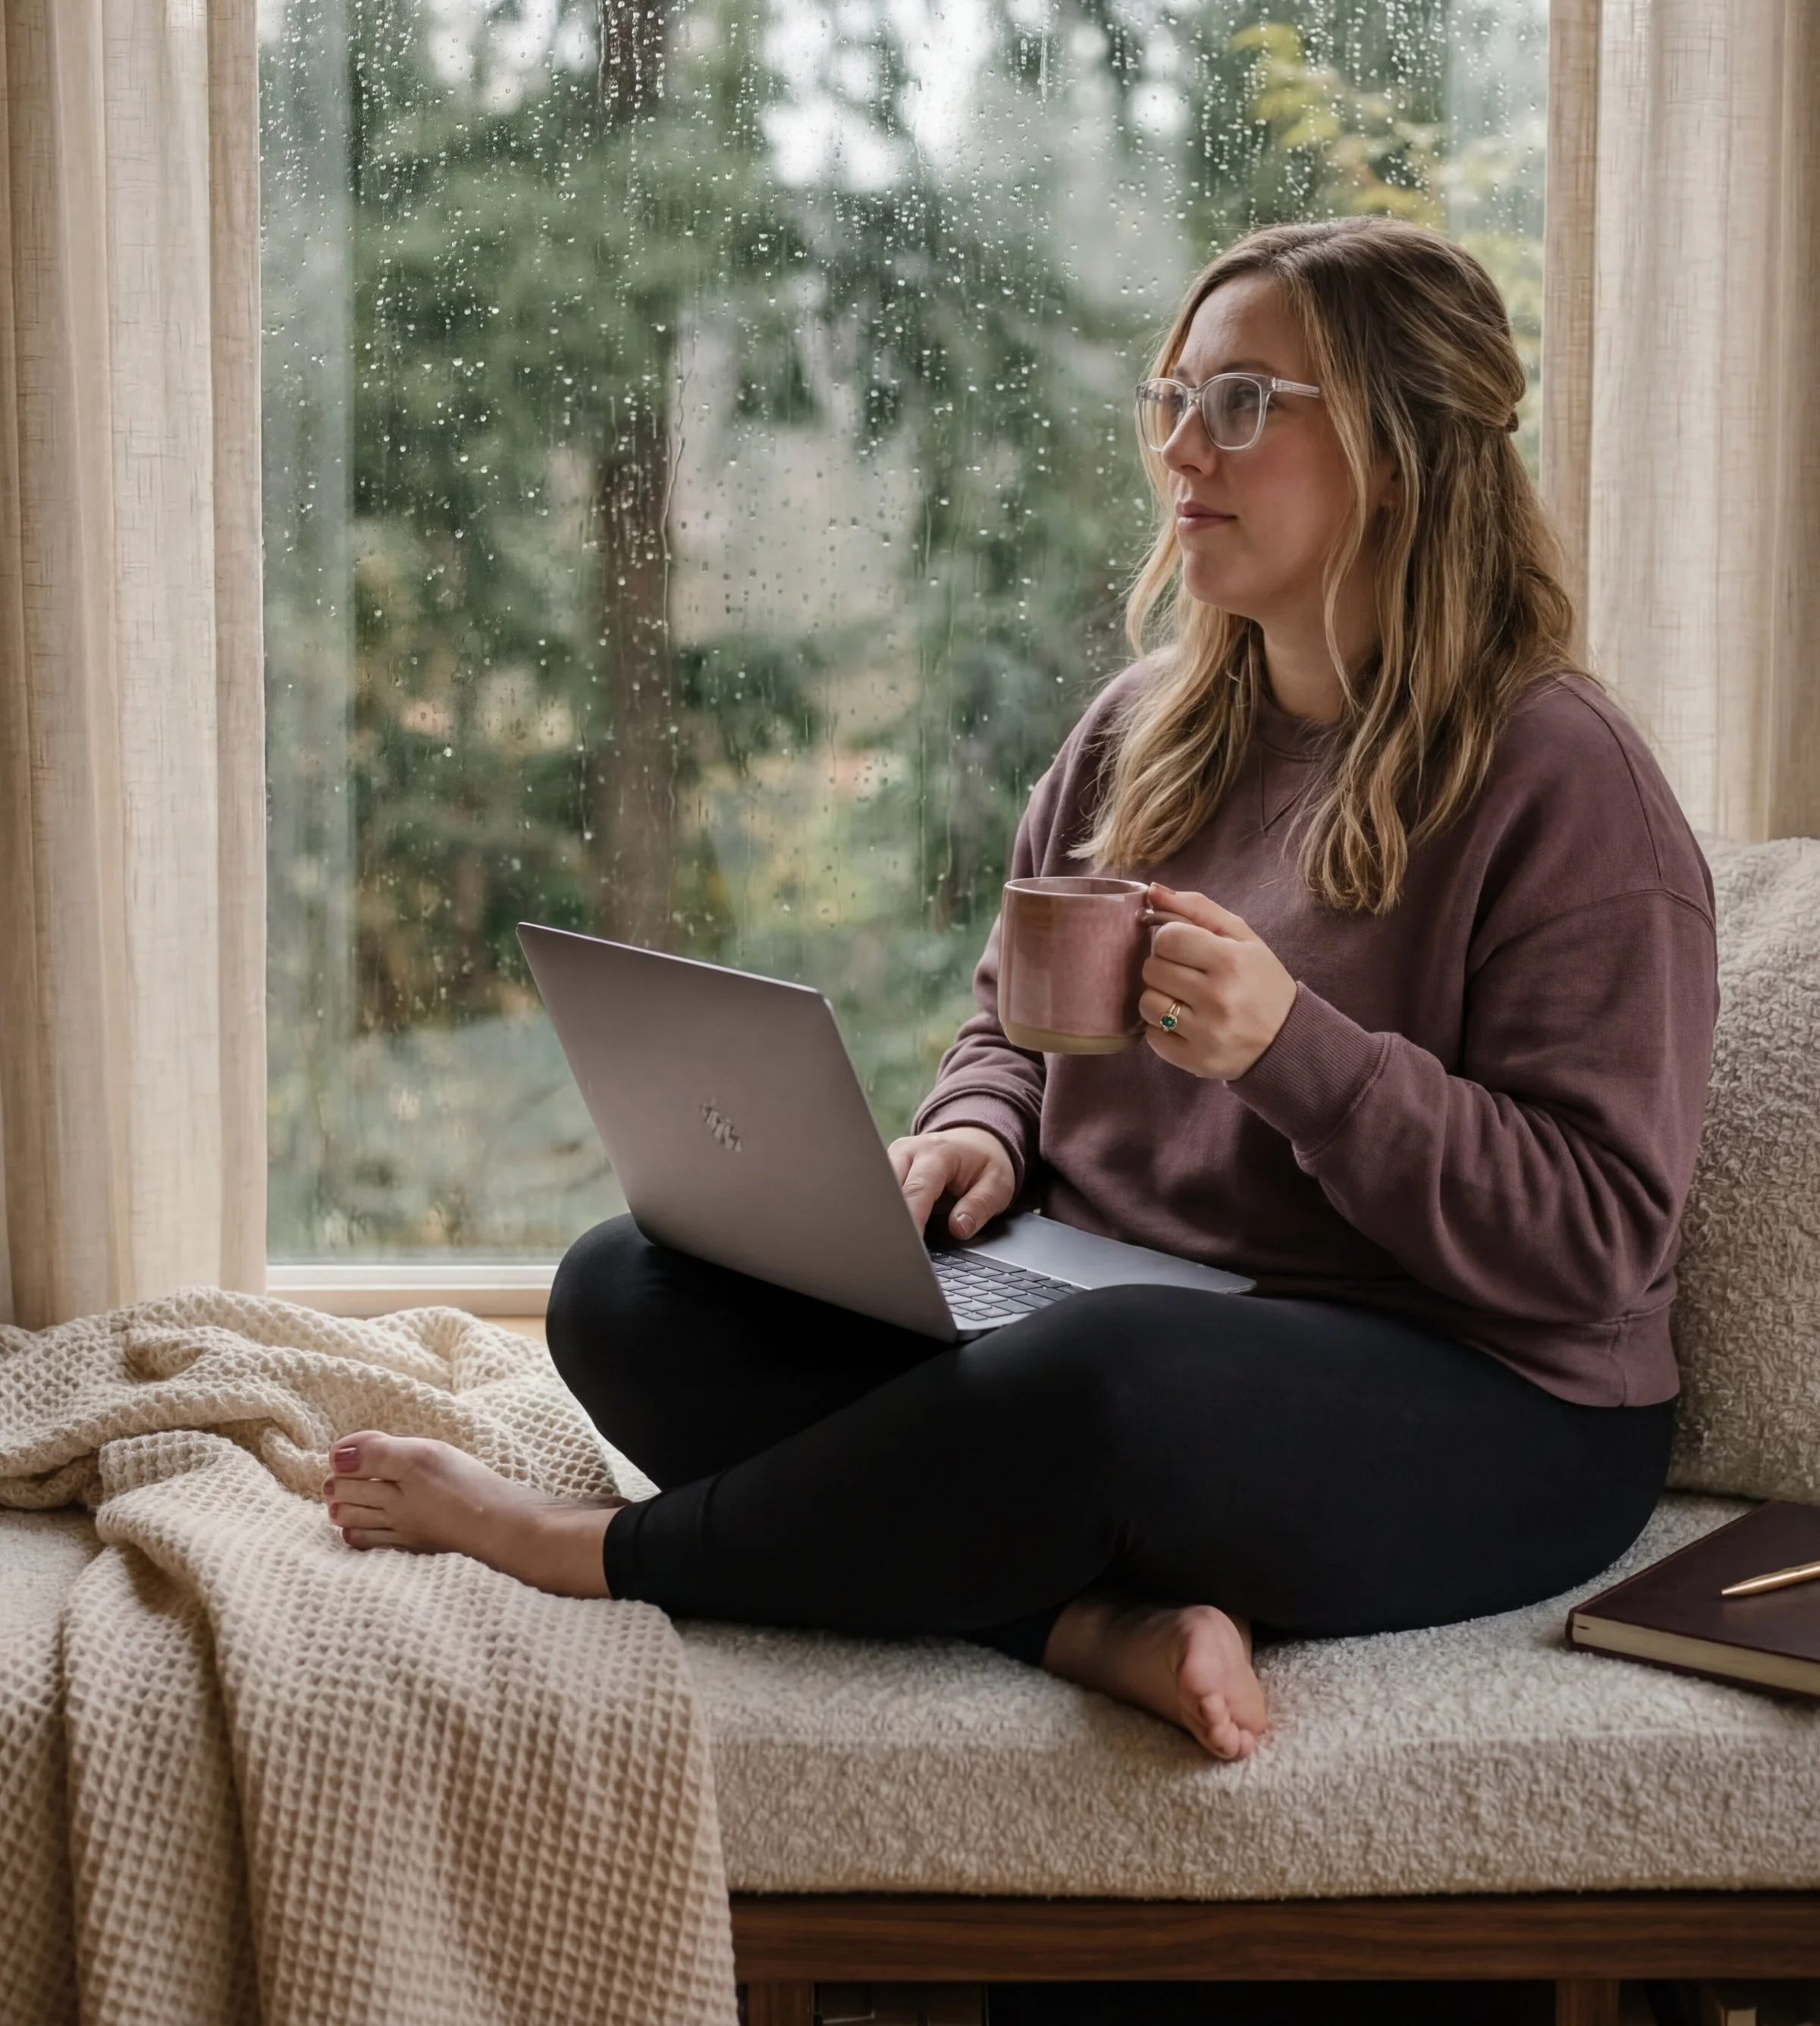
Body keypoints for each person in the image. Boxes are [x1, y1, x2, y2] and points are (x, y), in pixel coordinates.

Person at [322, 218, 1719, 1762]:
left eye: (1244, 404)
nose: (1181, 447)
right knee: (628, 1284)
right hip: (1100, 1310)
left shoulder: (1565, 785)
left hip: (1490, 1406)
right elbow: (1007, 1022)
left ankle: (588, 1552)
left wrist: (1296, 1056)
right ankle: (1077, 1623)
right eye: (1173, 396)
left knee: (1092, 1383)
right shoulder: (1147, 731)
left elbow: (1596, 1245)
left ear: (1399, 449)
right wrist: (977, 1133)